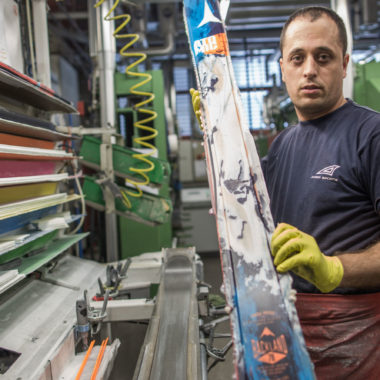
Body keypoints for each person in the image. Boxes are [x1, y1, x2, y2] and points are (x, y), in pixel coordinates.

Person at [191, 6, 380, 379]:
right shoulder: (282, 146)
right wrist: (218, 138)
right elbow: (245, 208)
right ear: (282, 68)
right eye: (298, 58)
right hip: (284, 332)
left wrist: (333, 268)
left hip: (356, 339)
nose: (309, 69)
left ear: (344, 64)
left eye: (323, 57)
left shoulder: (370, 135)